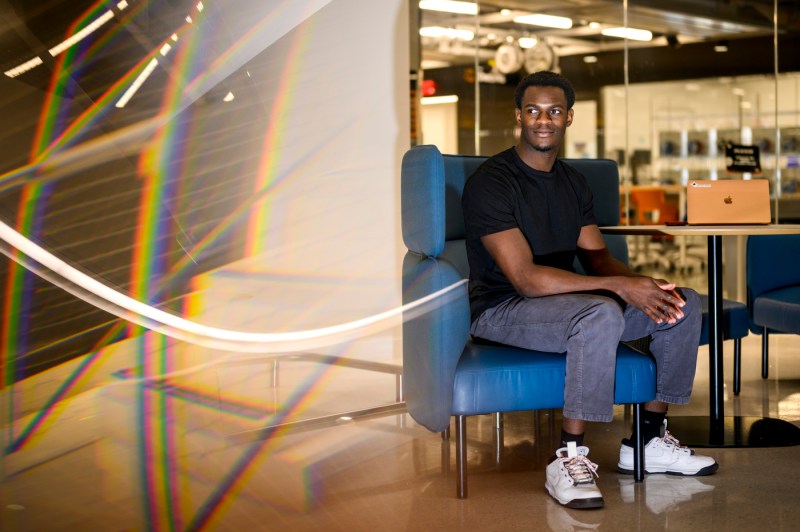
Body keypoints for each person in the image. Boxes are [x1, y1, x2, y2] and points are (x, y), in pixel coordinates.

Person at [461, 71, 718, 510]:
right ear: (519, 117)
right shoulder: (492, 182)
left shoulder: (572, 182)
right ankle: (569, 457)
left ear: (569, 118)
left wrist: (642, 285)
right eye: (534, 111)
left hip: (567, 304)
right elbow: (525, 278)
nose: (544, 120)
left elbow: (597, 258)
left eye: (555, 111)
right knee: (600, 313)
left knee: (682, 303)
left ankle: (647, 442)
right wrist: (618, 287)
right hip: (504, 308)